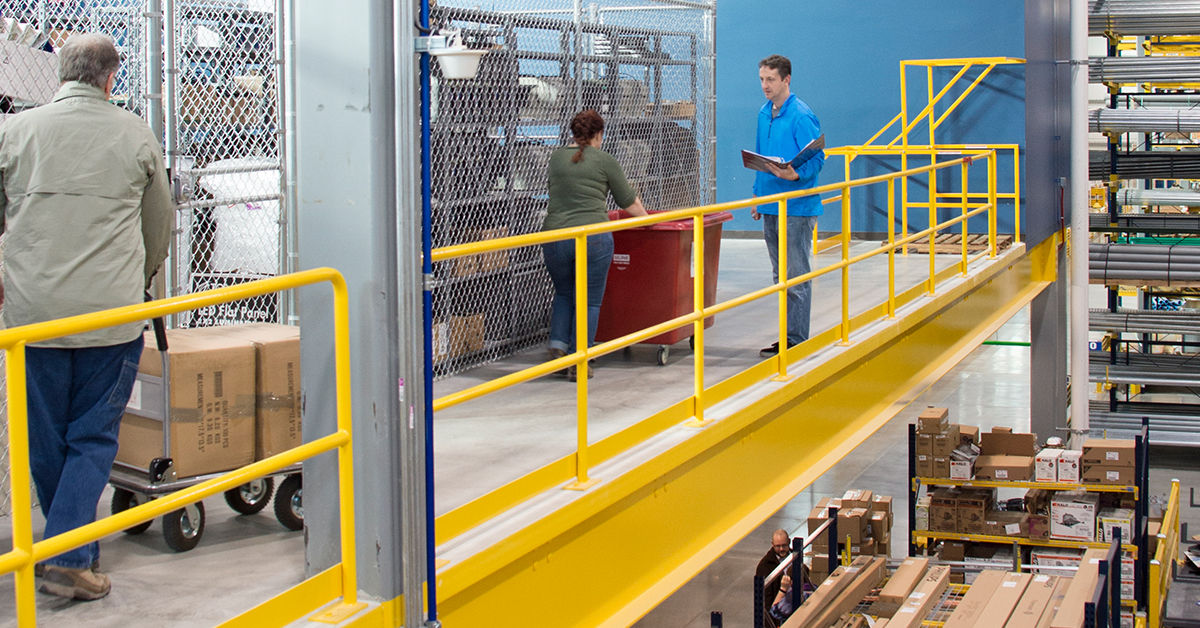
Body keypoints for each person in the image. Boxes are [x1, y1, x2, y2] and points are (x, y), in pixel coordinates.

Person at [0, 33, 173, 600]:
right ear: (110, 79)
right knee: (93, 435)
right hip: (109, 315)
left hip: (33, 317)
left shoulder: (15, 133)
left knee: (45, 438)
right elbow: (159, 226)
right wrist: (141, 279)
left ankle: (63, 549)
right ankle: (71, 555)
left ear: (60, 76)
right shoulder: (134, 134)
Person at [543, 109, 647, 381]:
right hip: (593, 238)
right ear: (599, 135)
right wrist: (649, 220)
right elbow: (628, 201)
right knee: (589, 301)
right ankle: (580, 360)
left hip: (555, 237)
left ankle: (558, 345)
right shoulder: (605, 160)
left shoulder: (555, 159)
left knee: (564, 292)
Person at [750, 54, 825, 357]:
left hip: (796, 207)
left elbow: (817, 157)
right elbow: (758, 155)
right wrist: (758, 195)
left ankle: (796, 340)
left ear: (786, 80)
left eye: (770, 79)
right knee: (780, 277)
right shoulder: (763, 113)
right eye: (762, 80)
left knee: (795, 276)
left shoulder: (801, 115)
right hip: (771, 204)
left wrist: (796, 173)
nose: (765, 86)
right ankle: (788, 335)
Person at [755, 529, 791, 612]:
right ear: (772, 544)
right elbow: (765, 599)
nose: (781, 549)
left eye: (784, 545)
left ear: (789, 541)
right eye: (778, 546)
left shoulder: (795, 557)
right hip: (779, 611)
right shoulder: (764, 566)